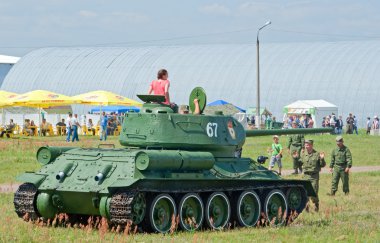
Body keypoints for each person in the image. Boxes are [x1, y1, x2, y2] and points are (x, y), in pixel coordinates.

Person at [294, 139, 325, 212]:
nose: (306, 146)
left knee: (313, 193)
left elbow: (322, 165)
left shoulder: (317, 154)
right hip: (306, 176)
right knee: (305, 192)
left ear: (311, 145)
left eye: (307, 145)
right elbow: (299, 164)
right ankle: (306, 208)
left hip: (314, 176)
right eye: (305, 144)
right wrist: (295, 158)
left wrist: (322, 159)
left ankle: (316, 205)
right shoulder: (303, 154)